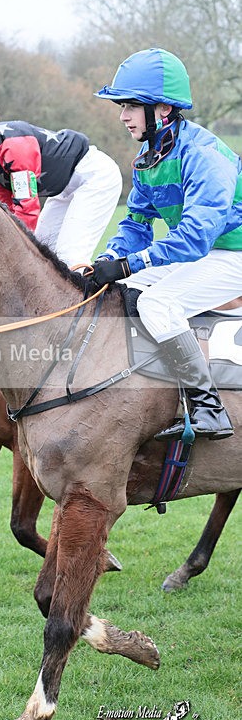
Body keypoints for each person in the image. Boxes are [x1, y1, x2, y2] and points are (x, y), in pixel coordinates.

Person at [92, 47, 242, 441]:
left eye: (130, 106)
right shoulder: (148, 158)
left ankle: (209, 409)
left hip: (234, 254)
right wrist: (108, 259)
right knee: (121, 289)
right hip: (207, 253)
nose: (122, 116)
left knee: (157, 302)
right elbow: (136, 225)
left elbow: (194, 237)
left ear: (161, 109)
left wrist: (131, 262)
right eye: (121, 106)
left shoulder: (206, 156)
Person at [0, 90, 122, 267]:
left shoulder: (13, 145)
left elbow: (26, 207)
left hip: (94, 177)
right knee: (46, 254)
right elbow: (7, 209)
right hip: (63, 189)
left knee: (70, 256)